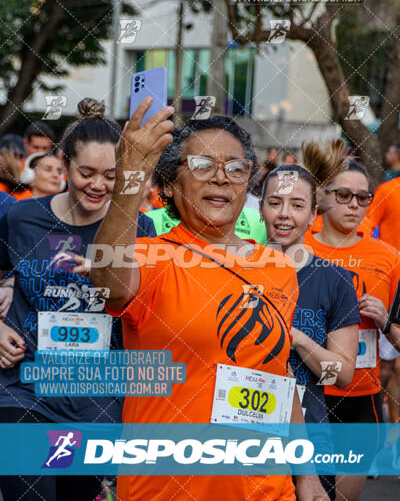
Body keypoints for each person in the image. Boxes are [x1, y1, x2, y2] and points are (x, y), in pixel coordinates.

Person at [91, 99, 328, 501]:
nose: (221, 178)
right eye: (202, 166)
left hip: (265, 489)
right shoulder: (150, 257)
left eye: (235, 168)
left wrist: (305, 476)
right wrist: (130, 177)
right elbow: (108, 284)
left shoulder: (277, 267)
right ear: (168, 184)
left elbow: (276, 377)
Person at [0, 98, 156, 501]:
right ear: (64, 164)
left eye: (110, 175)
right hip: (23, 388)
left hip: (96, 397)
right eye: (86, 172)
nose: (98, 185)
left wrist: (105, 270)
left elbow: (152, 302)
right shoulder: (21, 218)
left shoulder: (137, 226)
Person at [302, 140, 400, 501]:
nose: (354, 205)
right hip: (306, 395)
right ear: (323, 197)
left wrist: (387, 321)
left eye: (363, 198)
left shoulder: (388, 257)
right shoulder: (299, 248)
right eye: (344, 195)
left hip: (360, 398)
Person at [260, 163, 360, 501]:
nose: (285, 214)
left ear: (313, 212)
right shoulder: (236, 272)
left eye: (298, 205)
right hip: (244, 437)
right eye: (275, 203)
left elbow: (343, 374)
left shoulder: (335, 282)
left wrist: (298, 339)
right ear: (260, 209)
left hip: (311, 443)